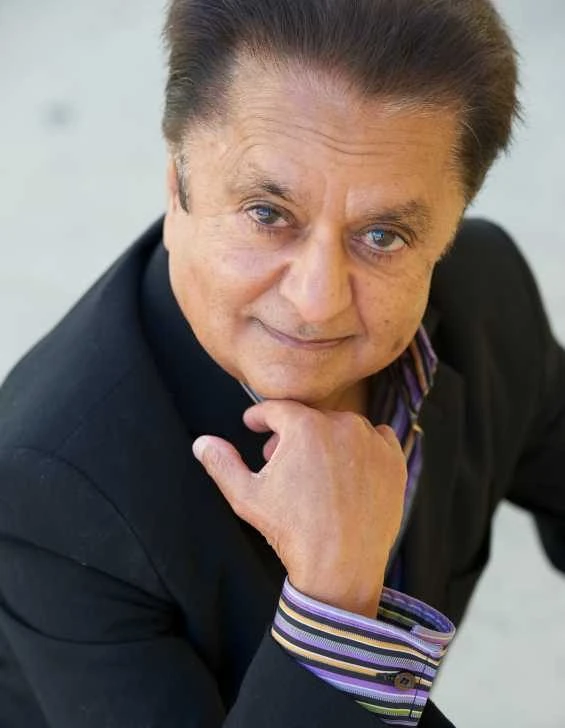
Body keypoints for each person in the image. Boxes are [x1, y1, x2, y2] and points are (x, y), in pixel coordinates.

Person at [0, 0, 563, 725]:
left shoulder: (489, 297)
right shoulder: (50, 492)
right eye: (267, 214)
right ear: (176, 186)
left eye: (382, 236)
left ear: (448, 233)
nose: (316, 300)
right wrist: (335, 608)